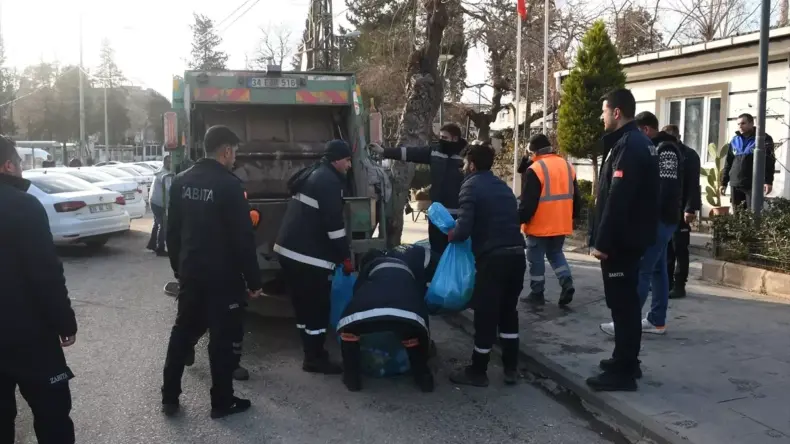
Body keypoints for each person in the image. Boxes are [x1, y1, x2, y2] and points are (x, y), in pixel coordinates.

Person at [161, 125, 263, 419]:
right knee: (221, 340)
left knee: (182, 333)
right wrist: (254, 281)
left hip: (192, 273)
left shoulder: (181, 182)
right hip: (223, 278)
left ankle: (169, 398)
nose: (235, 158)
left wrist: (180, 269)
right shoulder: (230, 185)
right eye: (235, 153)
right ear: (226, 151)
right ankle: (222, 402)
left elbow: (173, 232)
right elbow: (243, 239)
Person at [0, 135, 78, 443]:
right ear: (8, 165)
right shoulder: (22, 205)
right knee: (53, 415)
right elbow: (45, 274)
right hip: (29, 337)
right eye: (19, 163)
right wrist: (65, 323)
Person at [588, 89, 659, 392]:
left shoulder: (630, 146)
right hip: (630, 237)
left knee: (624, 306)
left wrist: (602, 242)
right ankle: (624, 359)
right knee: (624, 304)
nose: (601, 117)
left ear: (616, 112)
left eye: (604, 111)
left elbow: (618, 199)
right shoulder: (632, 142)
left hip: (622, 242)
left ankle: (625, 371)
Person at [445, 141, 526, 387]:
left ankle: (478, 371)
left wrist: (453, 234)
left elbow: (465, 226)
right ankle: (511, 368)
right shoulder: (502, 186)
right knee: (508, 312)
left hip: (494, 259)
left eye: (464, 163)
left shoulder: (470, 186)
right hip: (516, 255)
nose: (462, 167)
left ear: (471, 164)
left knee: (486, 314)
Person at [600, 111, 682, 338]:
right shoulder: (659, 148)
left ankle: (627, 322)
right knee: (658, 270)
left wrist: (647, 215)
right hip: (664, 218)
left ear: (646, 129)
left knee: (643, 269)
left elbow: (664, 188)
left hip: (660, 219)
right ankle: (656, 320)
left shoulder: (664, 150)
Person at [274, 140, 353, 375]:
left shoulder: (314, 173)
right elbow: (334, 227)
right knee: (318, 308)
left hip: (290, 253)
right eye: (347, 160)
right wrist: (345, 257)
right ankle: (315, 358)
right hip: (309, 257)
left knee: (303, 308)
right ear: (336, 159)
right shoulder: (329, 181)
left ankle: (311, 353)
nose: (349, 165)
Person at [337, 244, 437, 393]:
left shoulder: (370, 266)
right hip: (407, 315)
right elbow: (417, 302)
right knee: (412, 333)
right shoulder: (406, 268)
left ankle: (352, 378)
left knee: (349, 330)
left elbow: (357, 291)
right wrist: (425, 343)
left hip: (367, 315)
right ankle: (423, 378)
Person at [369, 123, 467, 255]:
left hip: (457, 214)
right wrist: (384, 151)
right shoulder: (435, 151)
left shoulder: (466, 156)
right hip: (437, 213)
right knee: (436, 251)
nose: (441, 140)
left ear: (455, 139)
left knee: (456, 252)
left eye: (445, 137)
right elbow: (410, 153)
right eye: (440, 137)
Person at [519, 133, 581, 306]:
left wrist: (518, 219)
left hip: (539, 224)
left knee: (535, 258)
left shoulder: (536, 169)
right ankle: (566, 281)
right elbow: (577, 197)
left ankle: (537, 293)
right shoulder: (567, 165)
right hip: (561, 222)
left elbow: (528, 202)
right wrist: (572, 217)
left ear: (534, 152)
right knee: (555, 253)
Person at [661, 124, 701, 299]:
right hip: (668, 209)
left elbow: (693, 184)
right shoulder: (664, 151)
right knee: (667, 248)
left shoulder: (689, 155)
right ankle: (667, 282)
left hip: (682, 208)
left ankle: (679, 284)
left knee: (680, 248)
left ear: (677, 136)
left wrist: (690, 208)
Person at [720, 113, 776, 211]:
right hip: (736, 183)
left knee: (753, 215)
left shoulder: (763, 138)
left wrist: (768, 181)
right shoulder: (734, 140)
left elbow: (769, 161)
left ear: (751, 123)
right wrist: (723, 182)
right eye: (738, 124)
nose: (740, 126)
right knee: (737, 216)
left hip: (753, 184)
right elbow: (728, 163)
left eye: (743, 123)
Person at [147, 154, 172, 256]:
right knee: (163, 224)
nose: (172, 164)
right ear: (166, 163)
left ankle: (152, 244)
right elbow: (169, 188)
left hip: (154, 201)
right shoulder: (164, 174)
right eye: (170, 162)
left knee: (157, 223)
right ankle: (160, 248)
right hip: (158, 203)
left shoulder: (161, 171)